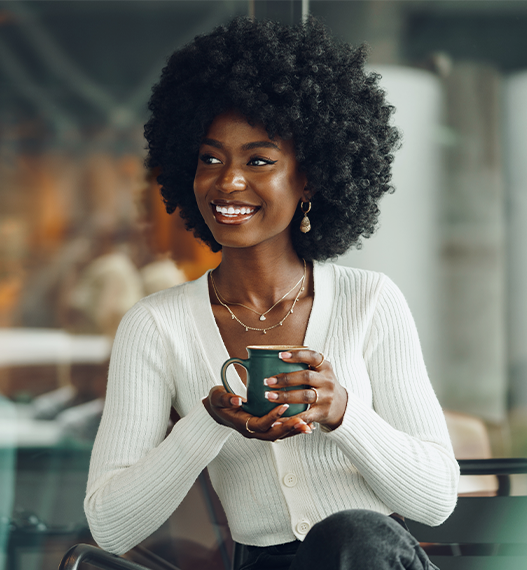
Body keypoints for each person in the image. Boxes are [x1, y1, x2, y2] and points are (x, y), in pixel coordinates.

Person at [84, 16, 459, 570]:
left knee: (352, 535)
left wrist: (344, 414)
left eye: (259, 160)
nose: (229, 181)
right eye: (211, 158)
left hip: (373, 556)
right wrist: (207, 424)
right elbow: (111, 525)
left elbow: (435, 500)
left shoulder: (370, 301)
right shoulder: (156, 325)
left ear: (309, 177)